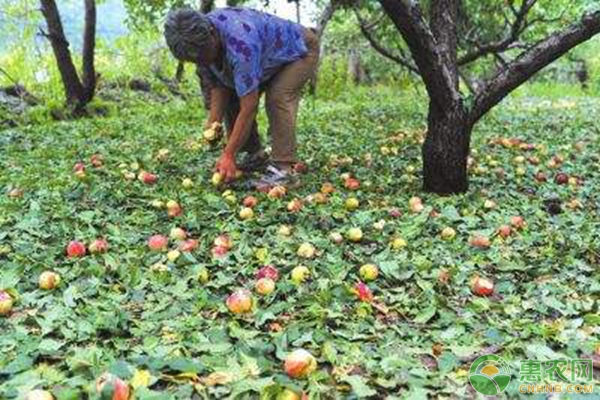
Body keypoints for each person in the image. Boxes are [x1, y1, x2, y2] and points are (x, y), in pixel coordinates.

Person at [164, 7, 320, 188]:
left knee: (278, 97)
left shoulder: (241, 43)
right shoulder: (198, 42)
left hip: (299, 50)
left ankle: (284, 170)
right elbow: (219, 85)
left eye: (205, 55)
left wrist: (228, 154)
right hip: (266, 55)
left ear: (212, 33)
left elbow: (249, 106)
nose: (204, 61)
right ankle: (254, 155)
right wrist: (213, 123)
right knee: (232, 91)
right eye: (197, 60)